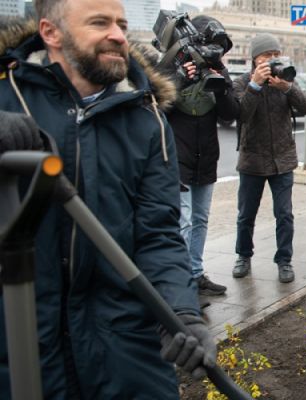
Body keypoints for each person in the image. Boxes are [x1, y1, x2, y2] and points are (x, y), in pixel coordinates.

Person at [0, 0, 216, 398]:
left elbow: (158, 235)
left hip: (123, 352)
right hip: (22, 346)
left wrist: (181, 312)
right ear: (51, 33)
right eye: (99, 23)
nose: (118, 34)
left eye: (120, 22)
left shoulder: (146, 118)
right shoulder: (8, 98)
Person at [231, 33, 306, 282]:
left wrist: (287, 88)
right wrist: (255, 86)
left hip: (283, 159)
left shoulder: (284, 80)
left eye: (276, 55)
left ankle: (284, 261)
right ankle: (243, 256)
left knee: (285, 215)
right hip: (252, 160)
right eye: (268, 55)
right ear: (255, 59)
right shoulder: (242, 83)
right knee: (246, 214)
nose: (273, 60)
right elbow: (241, 114)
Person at [166, 15, 238, 297]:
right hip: (178, 156)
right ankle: (181, 282)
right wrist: (181, 79)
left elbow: (231, 114)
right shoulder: (172, 66)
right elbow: (156, 107)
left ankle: (195, 274)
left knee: (200, 219)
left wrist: (219, 80)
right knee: (182, 221)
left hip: (206, 155)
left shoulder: (218, 69)